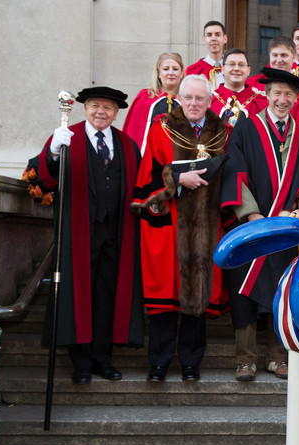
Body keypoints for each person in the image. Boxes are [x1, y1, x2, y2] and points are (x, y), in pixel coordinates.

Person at [32, 86, 144, 385]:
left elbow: (145, 185)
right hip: (79, 235)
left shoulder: (127, 144)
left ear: (116, 112)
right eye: (95, 106)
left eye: (107, 108)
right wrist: (53, 152)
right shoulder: (68, 139)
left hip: (116, 235)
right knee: (79, 297)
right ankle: (81, 363)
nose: (100, 112)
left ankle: (102, 359)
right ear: (84, 108)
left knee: (108, 297)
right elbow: (41, 180)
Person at [221, 68, 299, 382]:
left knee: (282, 290)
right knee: (244, 292)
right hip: (252, 227)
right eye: (277, 93)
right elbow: (235, 172)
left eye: (289, 94)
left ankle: (278, 357)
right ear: (266, 94)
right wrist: (251, 215)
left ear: (297, 98)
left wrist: (296, 213)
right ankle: (245, 359)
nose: (283, 99)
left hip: (285, 230)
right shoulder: (245, 129)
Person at [131, 75, 228, 382]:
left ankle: (190, 363)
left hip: (207, 226)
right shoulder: (162, 131)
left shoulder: (222, 134)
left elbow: (234, 176)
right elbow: (147, 176)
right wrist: (176, 179)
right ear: (179, 99)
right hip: (170, 226)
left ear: (210, 102)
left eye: (200, 99)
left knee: (197, 297)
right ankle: (158, 364)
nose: (194, 104)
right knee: (166, 298)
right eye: (188, 98)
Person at [122, 53, 184, 152]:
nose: (171, 73)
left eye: (175, 69)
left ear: (181, 73)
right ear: (159, 73)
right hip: (149, 158)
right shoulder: (145, 97)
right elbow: (134, 132)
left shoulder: (188, 100)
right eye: (166, 69)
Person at [212, 48, 266, 138]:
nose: (236, 68)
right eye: (231, 64)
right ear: (222, 69)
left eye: (241, 65)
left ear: (248, 70)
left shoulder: (261, 102)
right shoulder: (209, 100)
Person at [186, 20, 228, 91]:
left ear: (225, 39)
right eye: (209, 35)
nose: (213, 39)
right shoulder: (193, 71)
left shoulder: (233, 69)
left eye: (217, 35)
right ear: (204, 39)